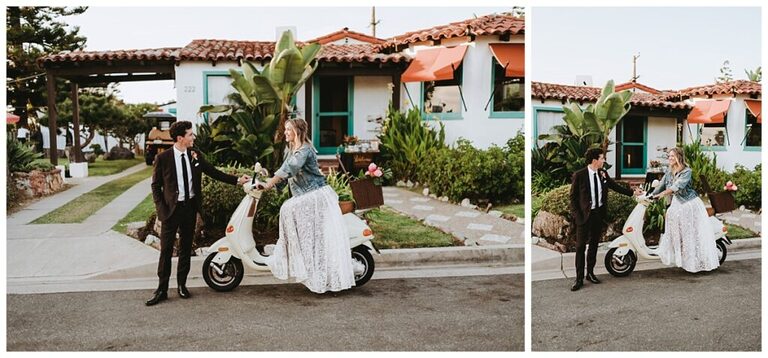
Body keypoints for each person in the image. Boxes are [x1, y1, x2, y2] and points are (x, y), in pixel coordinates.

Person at [147, 121, 250, 306]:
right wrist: (161, 209)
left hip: (189, 208)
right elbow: (155, 186)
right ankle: (161, 290)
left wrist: (237, 181)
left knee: (186, 249)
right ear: (180, 138)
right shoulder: (163, 159)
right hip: (170, 211)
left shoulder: (195, 155)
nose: (193, 137)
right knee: (166, 251)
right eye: (190, 134)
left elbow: (213, 172)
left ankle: (181, 286)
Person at [260, 118, 356, 294]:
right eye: (285, 129)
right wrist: (269, 183)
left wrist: (269, 183)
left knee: (289, 212)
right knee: (303, 231)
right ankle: (296, 257)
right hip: (305, 196)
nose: (286, 132)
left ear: (298, 131)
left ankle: (300, 260)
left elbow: (290, 168)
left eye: (289, 129)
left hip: (315, 195)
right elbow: (284, 173)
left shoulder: (304, 150)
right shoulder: (290, 150)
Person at [569, 148, 641, 291]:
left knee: (594, 245)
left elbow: (614, 186)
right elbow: (573, 197)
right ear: (595, 160)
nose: (604, 160)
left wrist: (632, 192)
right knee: (580, 247)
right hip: (584, 217)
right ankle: (579, 278)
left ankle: (590, 273)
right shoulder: (580, 175)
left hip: (598, 215)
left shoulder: (603, 173)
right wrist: (577, 216)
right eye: (602, 158)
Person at [650, 147, 720, 273]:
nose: (670, 158)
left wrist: (662, 194)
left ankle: (693, 261)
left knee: (688, 232)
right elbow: (661, 185)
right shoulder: (669, 170)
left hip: (689, 203)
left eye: (672, 156)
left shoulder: (687, 171)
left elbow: (677, 186)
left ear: (679, 157)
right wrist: (650, 195)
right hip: (678, 202)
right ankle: (679, 252)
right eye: (669, 156)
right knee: (671, 217)